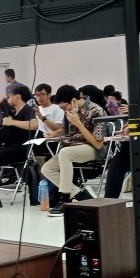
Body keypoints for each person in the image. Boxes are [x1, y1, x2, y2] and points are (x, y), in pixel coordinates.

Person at [43, 85, 108, 216]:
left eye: (63, 107)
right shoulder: (70, 111)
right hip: (73, 147)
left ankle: (65, 198)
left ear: (73, 100)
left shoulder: (96, 110)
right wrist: (55, 133)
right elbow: (66, 130)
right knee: (46, 169)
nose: (63, 110)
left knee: (65, 153)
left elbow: (98, 144)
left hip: (93, 149)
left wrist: (78, 122)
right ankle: (80, 194)